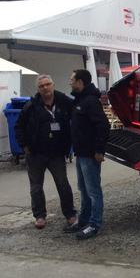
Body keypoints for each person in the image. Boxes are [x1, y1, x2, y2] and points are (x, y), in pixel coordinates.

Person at [14, 74, 77, 230]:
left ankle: (70, 214)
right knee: (36, 187)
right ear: (38, 89)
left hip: (56, 153)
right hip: (35, 154)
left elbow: (78, 113)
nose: (45, 88)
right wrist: (24, 145)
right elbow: (18, 126)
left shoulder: (64, 101)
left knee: (63, 184)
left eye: (47, 84)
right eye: (41, 86)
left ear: (53, 85)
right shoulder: (31, 106)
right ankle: (40, 216)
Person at [64, 69, 110, 240]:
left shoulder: (90, 101)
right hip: (81, 153)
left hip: (90, 155)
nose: (70, 82)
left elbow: (103, 126)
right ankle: (84, 220)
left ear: (80, 82)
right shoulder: (80, 99)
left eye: (71, 79)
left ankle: (95, 224)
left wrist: (99, 150)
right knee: (83, 189)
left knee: (93, 191)